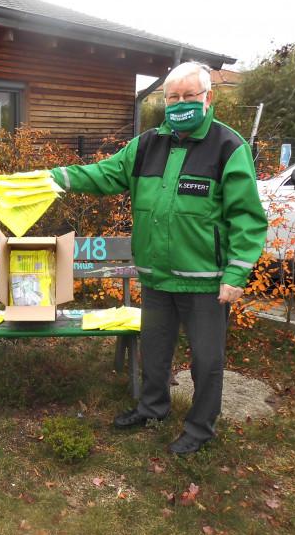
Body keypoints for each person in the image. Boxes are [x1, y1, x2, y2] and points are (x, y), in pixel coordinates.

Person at [48, 61, 268, 455]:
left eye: (189, 96)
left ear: (208, 98)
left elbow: (247, 218)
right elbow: (103, 174)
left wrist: (237, 271)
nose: (180, 104)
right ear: (164, 101)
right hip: (155, 275)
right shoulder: (146, 144)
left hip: (205, 280)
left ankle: (200, 429)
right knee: (154, 349)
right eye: (173, 97)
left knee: (206, 361)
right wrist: (53, 178)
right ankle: (153, 407)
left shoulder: (228, 147)